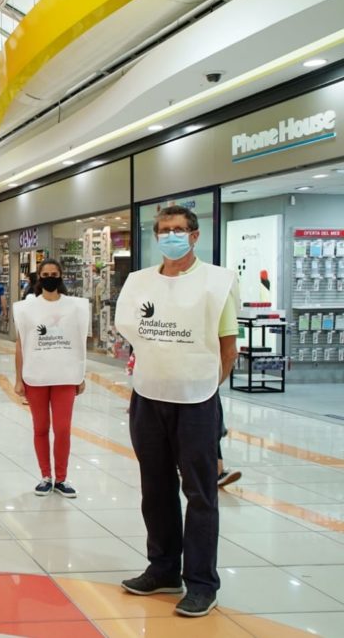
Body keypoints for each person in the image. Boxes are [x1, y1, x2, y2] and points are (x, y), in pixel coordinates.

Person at [114, 205, 239, 618]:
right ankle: (164, 567)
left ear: (195, 235)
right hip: (149, 397)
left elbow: (227, 347)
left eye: (179, 229)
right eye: (164, 230)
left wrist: (203, 385)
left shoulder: (216, 283)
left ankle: (202, 582)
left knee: (200, 493)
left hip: (197, 401)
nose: (171, 236)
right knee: (155, 486)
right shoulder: (139, 282)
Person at [13, 259, 90, 499]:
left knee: (63, 429)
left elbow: (80, 343)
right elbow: (20, 345)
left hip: (66, 376)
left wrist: (81, 374)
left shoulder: (76, 307)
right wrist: (18, 379)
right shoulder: (26, 309)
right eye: (45, 274)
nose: (49, 277)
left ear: (61, 276)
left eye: (54, 273)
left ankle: (62, 478)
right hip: (36, 376)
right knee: (40, 428)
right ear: (39, 278)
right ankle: (46, 476)